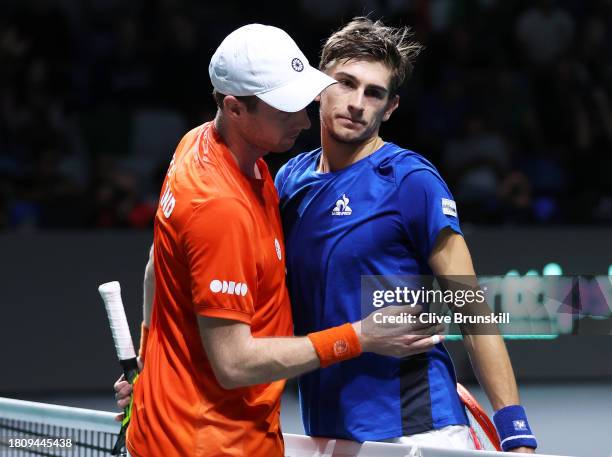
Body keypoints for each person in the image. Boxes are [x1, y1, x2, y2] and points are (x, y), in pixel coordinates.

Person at [119, 23, 443, 457]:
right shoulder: (220, 206)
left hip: (204, 425)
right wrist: (361, 336)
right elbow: (234, 363)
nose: (305, 120)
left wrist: (148, 360)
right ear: (235, 109)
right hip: (208, 443)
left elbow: (157, 263)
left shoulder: (201, 144)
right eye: (286, 107)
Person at [273, 17, 537, 452]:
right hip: (325, 431)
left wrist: (515, 431)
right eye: (345, 83)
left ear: (389, 108)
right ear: (319, 85)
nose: (357, 103)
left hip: (418, 430)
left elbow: (470, 305)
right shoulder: (289, 181)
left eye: (374, 93)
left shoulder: (410, 180)